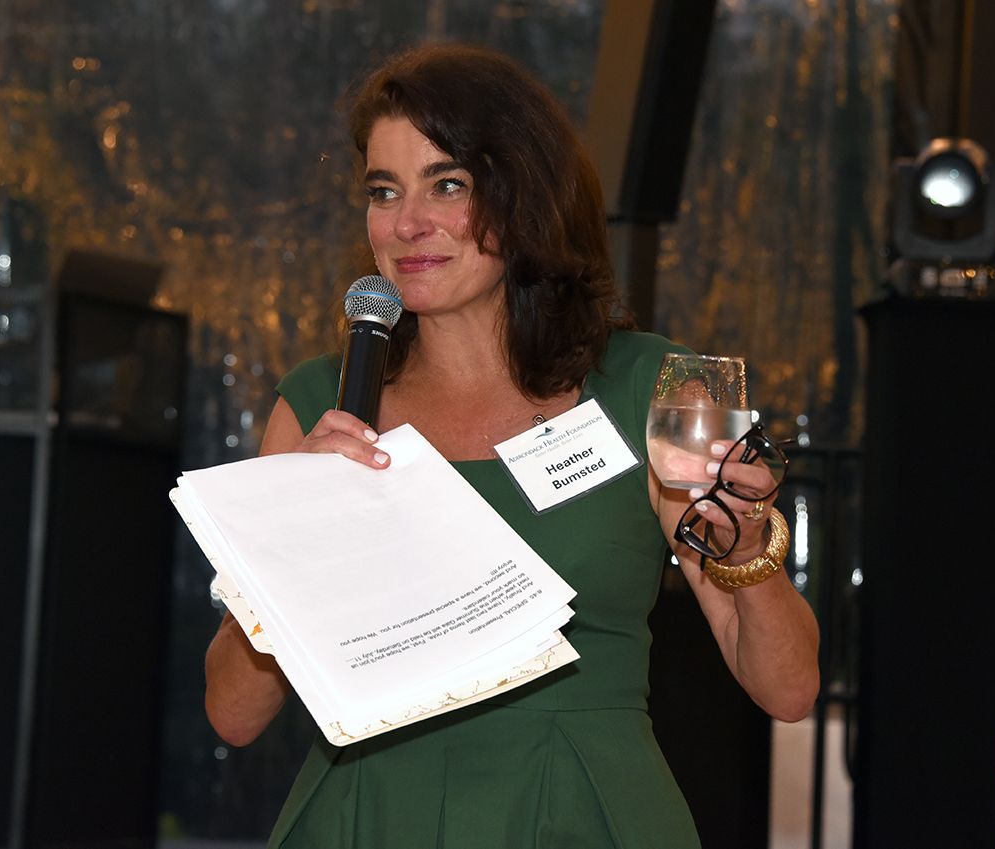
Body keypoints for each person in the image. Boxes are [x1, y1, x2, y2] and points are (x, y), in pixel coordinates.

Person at [204, 42, 820, 848]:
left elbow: (789, 688)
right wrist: (295, 535)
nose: (406, 223)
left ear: (523, 194)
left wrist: (751, 548)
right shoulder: (319, 404)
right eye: (384, 191)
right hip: (366, 814)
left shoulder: (659, 384)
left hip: (582, 809)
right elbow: (234, 714)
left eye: (447, 184)